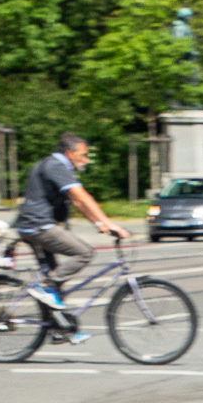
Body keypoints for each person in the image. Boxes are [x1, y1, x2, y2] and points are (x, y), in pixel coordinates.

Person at [10, 133, 126, 338]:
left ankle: (58, 330)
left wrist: (99, 224)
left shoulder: (55, 165)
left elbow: (79, 203)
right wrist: (109, 222)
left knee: (56, 278)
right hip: (38, 226)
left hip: (35, 225)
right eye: (83, 155)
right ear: (69, 153)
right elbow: (81, 195)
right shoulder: (56, 166)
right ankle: (46, 288)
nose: (86, 160)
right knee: (84, 253)